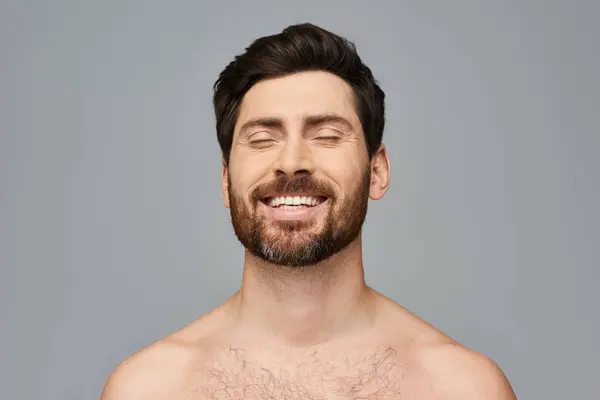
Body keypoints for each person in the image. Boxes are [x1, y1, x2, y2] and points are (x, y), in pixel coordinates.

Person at [101, 23, 517, 399]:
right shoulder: (148, 388)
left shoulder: (464, 389)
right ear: (225, 180)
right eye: (263, 138)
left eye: (326, 135)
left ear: (377, 171)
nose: (292, 161)